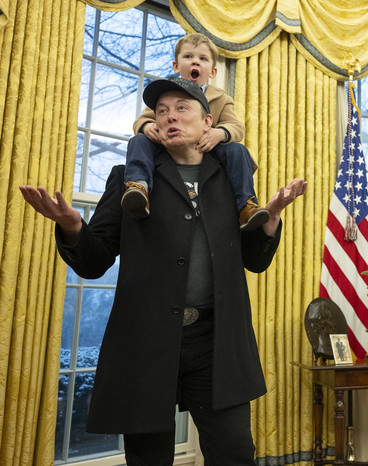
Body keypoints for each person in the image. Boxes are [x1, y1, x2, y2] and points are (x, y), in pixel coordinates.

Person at [19, 77, 307, 465]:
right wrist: (73, 226)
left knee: (235, 453)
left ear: (208, 123)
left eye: (181, 109)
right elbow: (94, 259)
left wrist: (270, 218)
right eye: (162, 111)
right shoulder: (129, 178)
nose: (170, 117)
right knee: (149, 458)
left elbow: (255, 261)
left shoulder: (231, 179)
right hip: (146, 343)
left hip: (216, 343)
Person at [123, 33, 268, 231]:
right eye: (188, 57)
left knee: (237, 150)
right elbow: (142, 120)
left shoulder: (221, 98)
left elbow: (237, 127)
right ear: (176, 66)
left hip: (209, 149)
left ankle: (246, 205)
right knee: (138, 141)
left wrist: (220, 133)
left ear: (213, 71)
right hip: (171, 147)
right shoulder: (166, 95)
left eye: (203, 59)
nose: (195, 62)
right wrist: (148, 127)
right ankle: (138, 187)